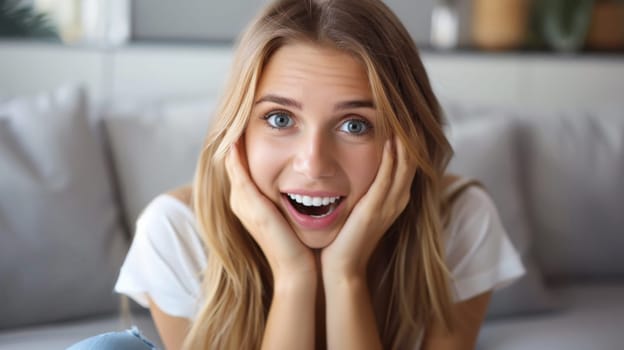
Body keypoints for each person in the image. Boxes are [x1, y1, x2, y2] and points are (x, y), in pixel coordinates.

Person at [70, 0, 524, 349]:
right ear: (237, 128)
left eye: (354, 125)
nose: (313, 163)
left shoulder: (460, 222)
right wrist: (294, 276)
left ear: (405, 137)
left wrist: (345, 273)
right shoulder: (177, 234)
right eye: (280, 119)